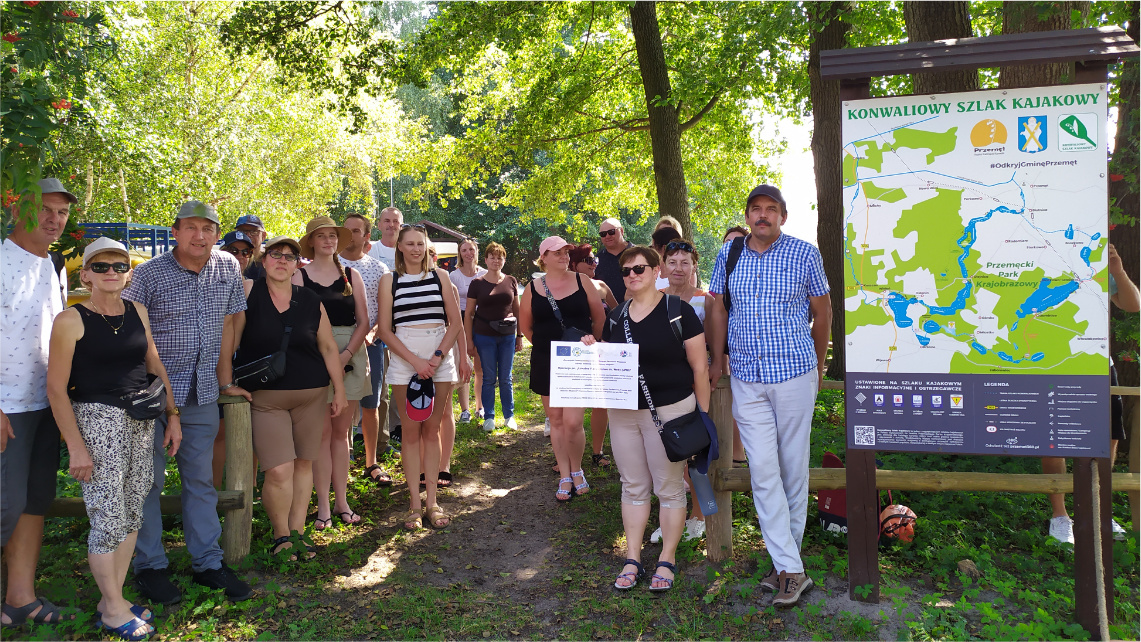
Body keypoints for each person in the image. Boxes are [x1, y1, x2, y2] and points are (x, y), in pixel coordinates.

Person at [46, 237, 178, 639]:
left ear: (128, 273)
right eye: (100, 267)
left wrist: (173, 415)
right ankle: (114, 611)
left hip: (140, 418)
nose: (110, 273)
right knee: (106, 516)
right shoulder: (71, 320)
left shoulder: (137, 310)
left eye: (119, 266)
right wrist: (76, 446)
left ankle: (112, 598)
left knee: (133, 507)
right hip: (97, 420)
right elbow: (56, 388)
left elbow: (153, 361)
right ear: (85, 273)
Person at [708, 184, 831, 607]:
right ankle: (790, 568)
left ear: (782, 216)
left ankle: (785, 566)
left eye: (771, 209)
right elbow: (719, 307)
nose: (763, 216)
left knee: (793, 469)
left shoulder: (804, 253)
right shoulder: (730, 253)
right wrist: (717, 356)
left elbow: (823, 311)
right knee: (763, 469)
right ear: (747, 215)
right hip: (745, 375)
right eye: (756, 209)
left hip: (794, 373)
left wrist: (817, 364)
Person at [125, 200, 252, 604]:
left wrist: (224, 379)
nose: (200, 236)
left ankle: (208, 564)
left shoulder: (227, 267)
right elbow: (129, 332)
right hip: (152, 395)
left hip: (201, 392)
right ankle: (150, 567)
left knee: (201, 481)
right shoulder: (147, 275)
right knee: (148, 482)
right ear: (176, 231)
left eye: (208, 228)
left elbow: (232, 321)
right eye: (192, 228)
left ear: (217, 233)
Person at [591, 245, 709, 592]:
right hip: (624, 414)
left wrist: (701, 415)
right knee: (633, 486)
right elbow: (609, 363)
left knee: (670, 488)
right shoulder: (616, 317)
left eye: (639, 269)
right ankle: (633, 558)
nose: (631, 276)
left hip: (671, 413)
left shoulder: (679, 311)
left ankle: (667, 560)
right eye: (626, 271)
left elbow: (700, 367)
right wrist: (589, 350)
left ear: (656, 271)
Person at [232, 237, 348, 559]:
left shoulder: (310, 300)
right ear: (264, 260)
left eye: (289, 256)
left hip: (311, 396)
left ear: (298, 264)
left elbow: (327, 347)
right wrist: (226, 382)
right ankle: (280, 534)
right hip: (266, 399)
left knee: (303, 466)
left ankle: (297, 534)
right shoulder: (247, 293)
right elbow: (231, 340)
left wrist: (339, 390)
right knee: (278, 469)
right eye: (275, 255)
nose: (282, 261)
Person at [1, 178, 79, 627]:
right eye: (44, 210)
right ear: (17, 211)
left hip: (44, 403)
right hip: (6, 406)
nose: (54, 220)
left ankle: (21, 598)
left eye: (62, 212)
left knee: (33, 503)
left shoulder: (53, 263)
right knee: (2, 506)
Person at [1043, 242, 1139, 543]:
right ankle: (1060, 517)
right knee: (1053, 440)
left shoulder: (1091, 258)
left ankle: (1097, 510)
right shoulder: (1034, 257)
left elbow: (1133, 304)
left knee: (1107, 436)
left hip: (1097, 362)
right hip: (1051, 362)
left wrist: (1118, 271)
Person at [377, 224, 466, 529]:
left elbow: (455, 323)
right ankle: (414, 505)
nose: (416, 249)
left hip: (439, 358)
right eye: (410, 244)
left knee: (433, 431)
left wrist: (437, 358)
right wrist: (415, 361)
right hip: (405, 361)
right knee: (411, 433)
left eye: (421, 244)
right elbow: (385, 331)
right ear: (399, 247)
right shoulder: (389, 281)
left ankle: (433, 503)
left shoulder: (440, 276)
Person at [295, 216, 371, 529]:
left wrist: (345, 355)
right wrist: (327, 358)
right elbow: (297, 321)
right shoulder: (299, 277)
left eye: (332, 236)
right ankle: (322, 506)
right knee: (321, 435)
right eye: (321, 236)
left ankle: (342, 502)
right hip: (313, 357)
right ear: (311, 241)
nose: (328, 241)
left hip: (350, 357)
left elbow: (364, 321)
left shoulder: (352, 274)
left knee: (341, 434)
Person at [519, 236, 605, 502]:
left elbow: (599, 318)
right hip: (546, 360)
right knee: (556, 419)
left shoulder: (583, 281)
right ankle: (565, 474)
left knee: (573, 421)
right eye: (556, 253)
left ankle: (578, 469)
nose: (564, 256)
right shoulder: (532, 288)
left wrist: (593, 344)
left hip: (578, 360)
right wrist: (546, 348)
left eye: (566, 252)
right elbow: (526, 326)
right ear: (543, 257)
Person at [650, 239, 715, 543]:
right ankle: (670, 517)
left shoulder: (706, 300)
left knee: (696, 454)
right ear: (662, 266)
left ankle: (699, 516)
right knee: (664, 456)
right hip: (661, 390)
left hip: (695, 387)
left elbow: (715, 347)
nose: (678, 268)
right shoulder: (652, 297)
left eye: (685, 262)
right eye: (672, 262)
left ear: (693, 267)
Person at [339, 213, 394, 488]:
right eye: (345, 230)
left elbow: (385, 311)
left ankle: (371, 462)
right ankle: (342, 458)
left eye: (356, 231)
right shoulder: (329, 264)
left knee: (370, 404)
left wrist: (371, 333)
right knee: (339, 404)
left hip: (371, 343)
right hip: (335, 344)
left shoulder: (379, 268)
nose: (350, 235)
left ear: (366, 236)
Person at [212, 230, 258, 488]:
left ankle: (248, 492)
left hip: (248, 365)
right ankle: (214, 492)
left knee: (250, 431)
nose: (239, 256)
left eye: (245, 251)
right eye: (233, 250)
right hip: (218, 364)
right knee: (219, 432)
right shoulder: (211, 283)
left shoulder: (255, 286)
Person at [568, 243, 617, 467]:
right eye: (588, 260)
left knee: (600, 404)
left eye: (594, 259)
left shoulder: (602, 286)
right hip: (573, 354)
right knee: (571, 408)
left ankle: (597, 451)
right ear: (574, 264)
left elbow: (619, 313)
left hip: (601, 350)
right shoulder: (564, 287)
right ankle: (568, 457)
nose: (594, 263)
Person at [465, 242, 522, 432]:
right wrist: (468, 340)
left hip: (507, 336)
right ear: (486, 259)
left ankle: (509, 416)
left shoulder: (511, 281)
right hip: (484, 336)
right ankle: (489, 416)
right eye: (492, 257)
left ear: (504, 260)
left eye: (500, 257)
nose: (496, 260)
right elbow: (469, 313)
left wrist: (520, 335)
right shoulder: (477, 283)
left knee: (506, 377)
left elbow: (517, 309)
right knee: (488, 377)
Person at [429, 244, 469, 488]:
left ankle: (444, 465)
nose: (428, 258)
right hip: (418, 353)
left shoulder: (449, 286)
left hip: (447, 349)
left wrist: (464, 357)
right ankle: (426, 464)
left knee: (445, 411)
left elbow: (459, 326)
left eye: (431, 254)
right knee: (423, 412)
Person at [367, 207, 403, 443]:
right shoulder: (371, 250)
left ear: (401, 225)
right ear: (379, 224)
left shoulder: (407, 249)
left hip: (404, 326)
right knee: (375, 384)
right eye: (386, 221)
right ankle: (368, 430)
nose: (391, 225)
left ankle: (398, 426)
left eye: (395, 222)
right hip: (375, 328)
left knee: (400, 379)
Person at [450, 238, 488, 423]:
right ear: (460, 253)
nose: (468, 253)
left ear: (477, 252)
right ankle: (465, 410)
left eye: (471, 249)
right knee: (463, 365)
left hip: (481, 321)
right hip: (461, 321)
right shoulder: (453, 276)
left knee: (480, 367)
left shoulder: (485, 274)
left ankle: (480, 407)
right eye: (464, 250)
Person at [721, 226, 749, 467]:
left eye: (738, 242)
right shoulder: (723, 271)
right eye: (727, 243)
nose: (732, 247)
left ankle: (739, 455)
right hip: (723, 348)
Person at [596, 218, 633, 302]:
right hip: (609, 313)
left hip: (638, 308)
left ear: (622, 231)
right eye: (603, 234)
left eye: (611, 232)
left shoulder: (638, 254)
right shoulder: (597, 260)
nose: (607, 236)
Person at [235, 215, 267, 280]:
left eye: (254, 232)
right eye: (243, 232)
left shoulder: (270, 262)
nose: (248, 235)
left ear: (263, 236)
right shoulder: (229, 261)